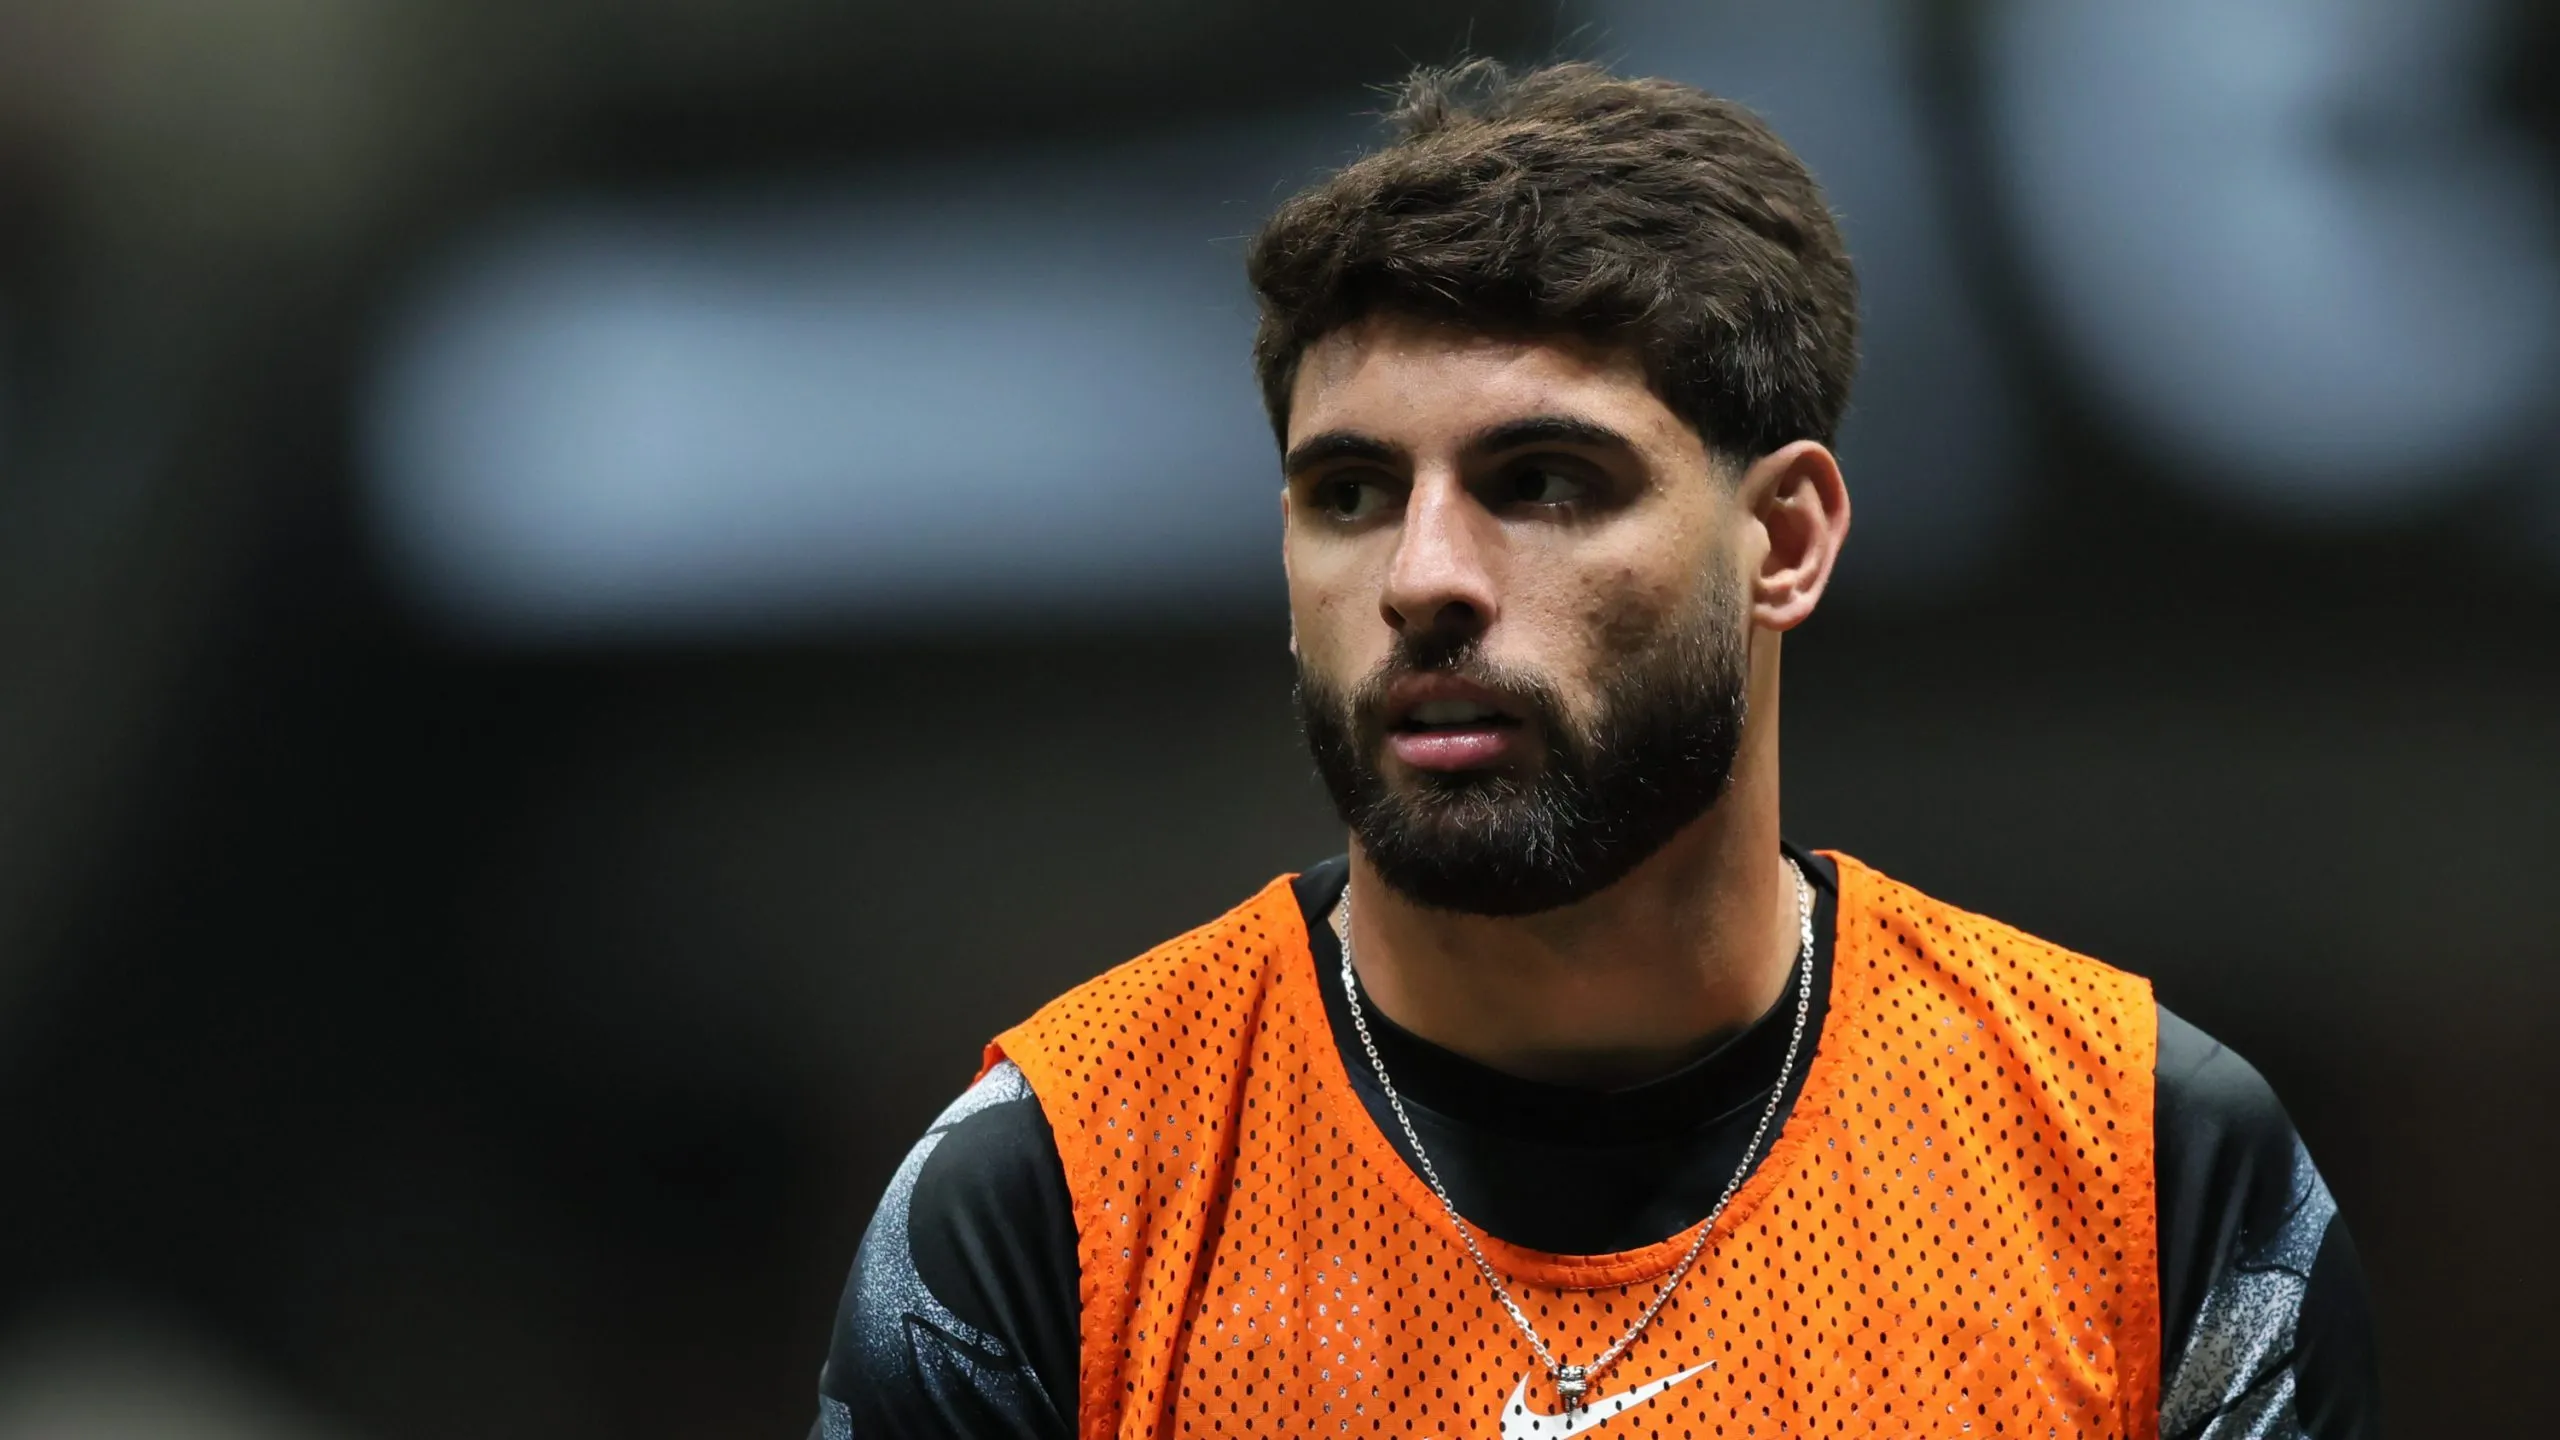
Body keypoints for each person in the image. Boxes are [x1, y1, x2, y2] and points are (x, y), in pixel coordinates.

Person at [809, 61, 2379, 1439]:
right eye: (1347, 492)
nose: (1423, 577)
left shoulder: (2146, 1169)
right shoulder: (1057, 1194)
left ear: (1785, 538)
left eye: (1544, 479)